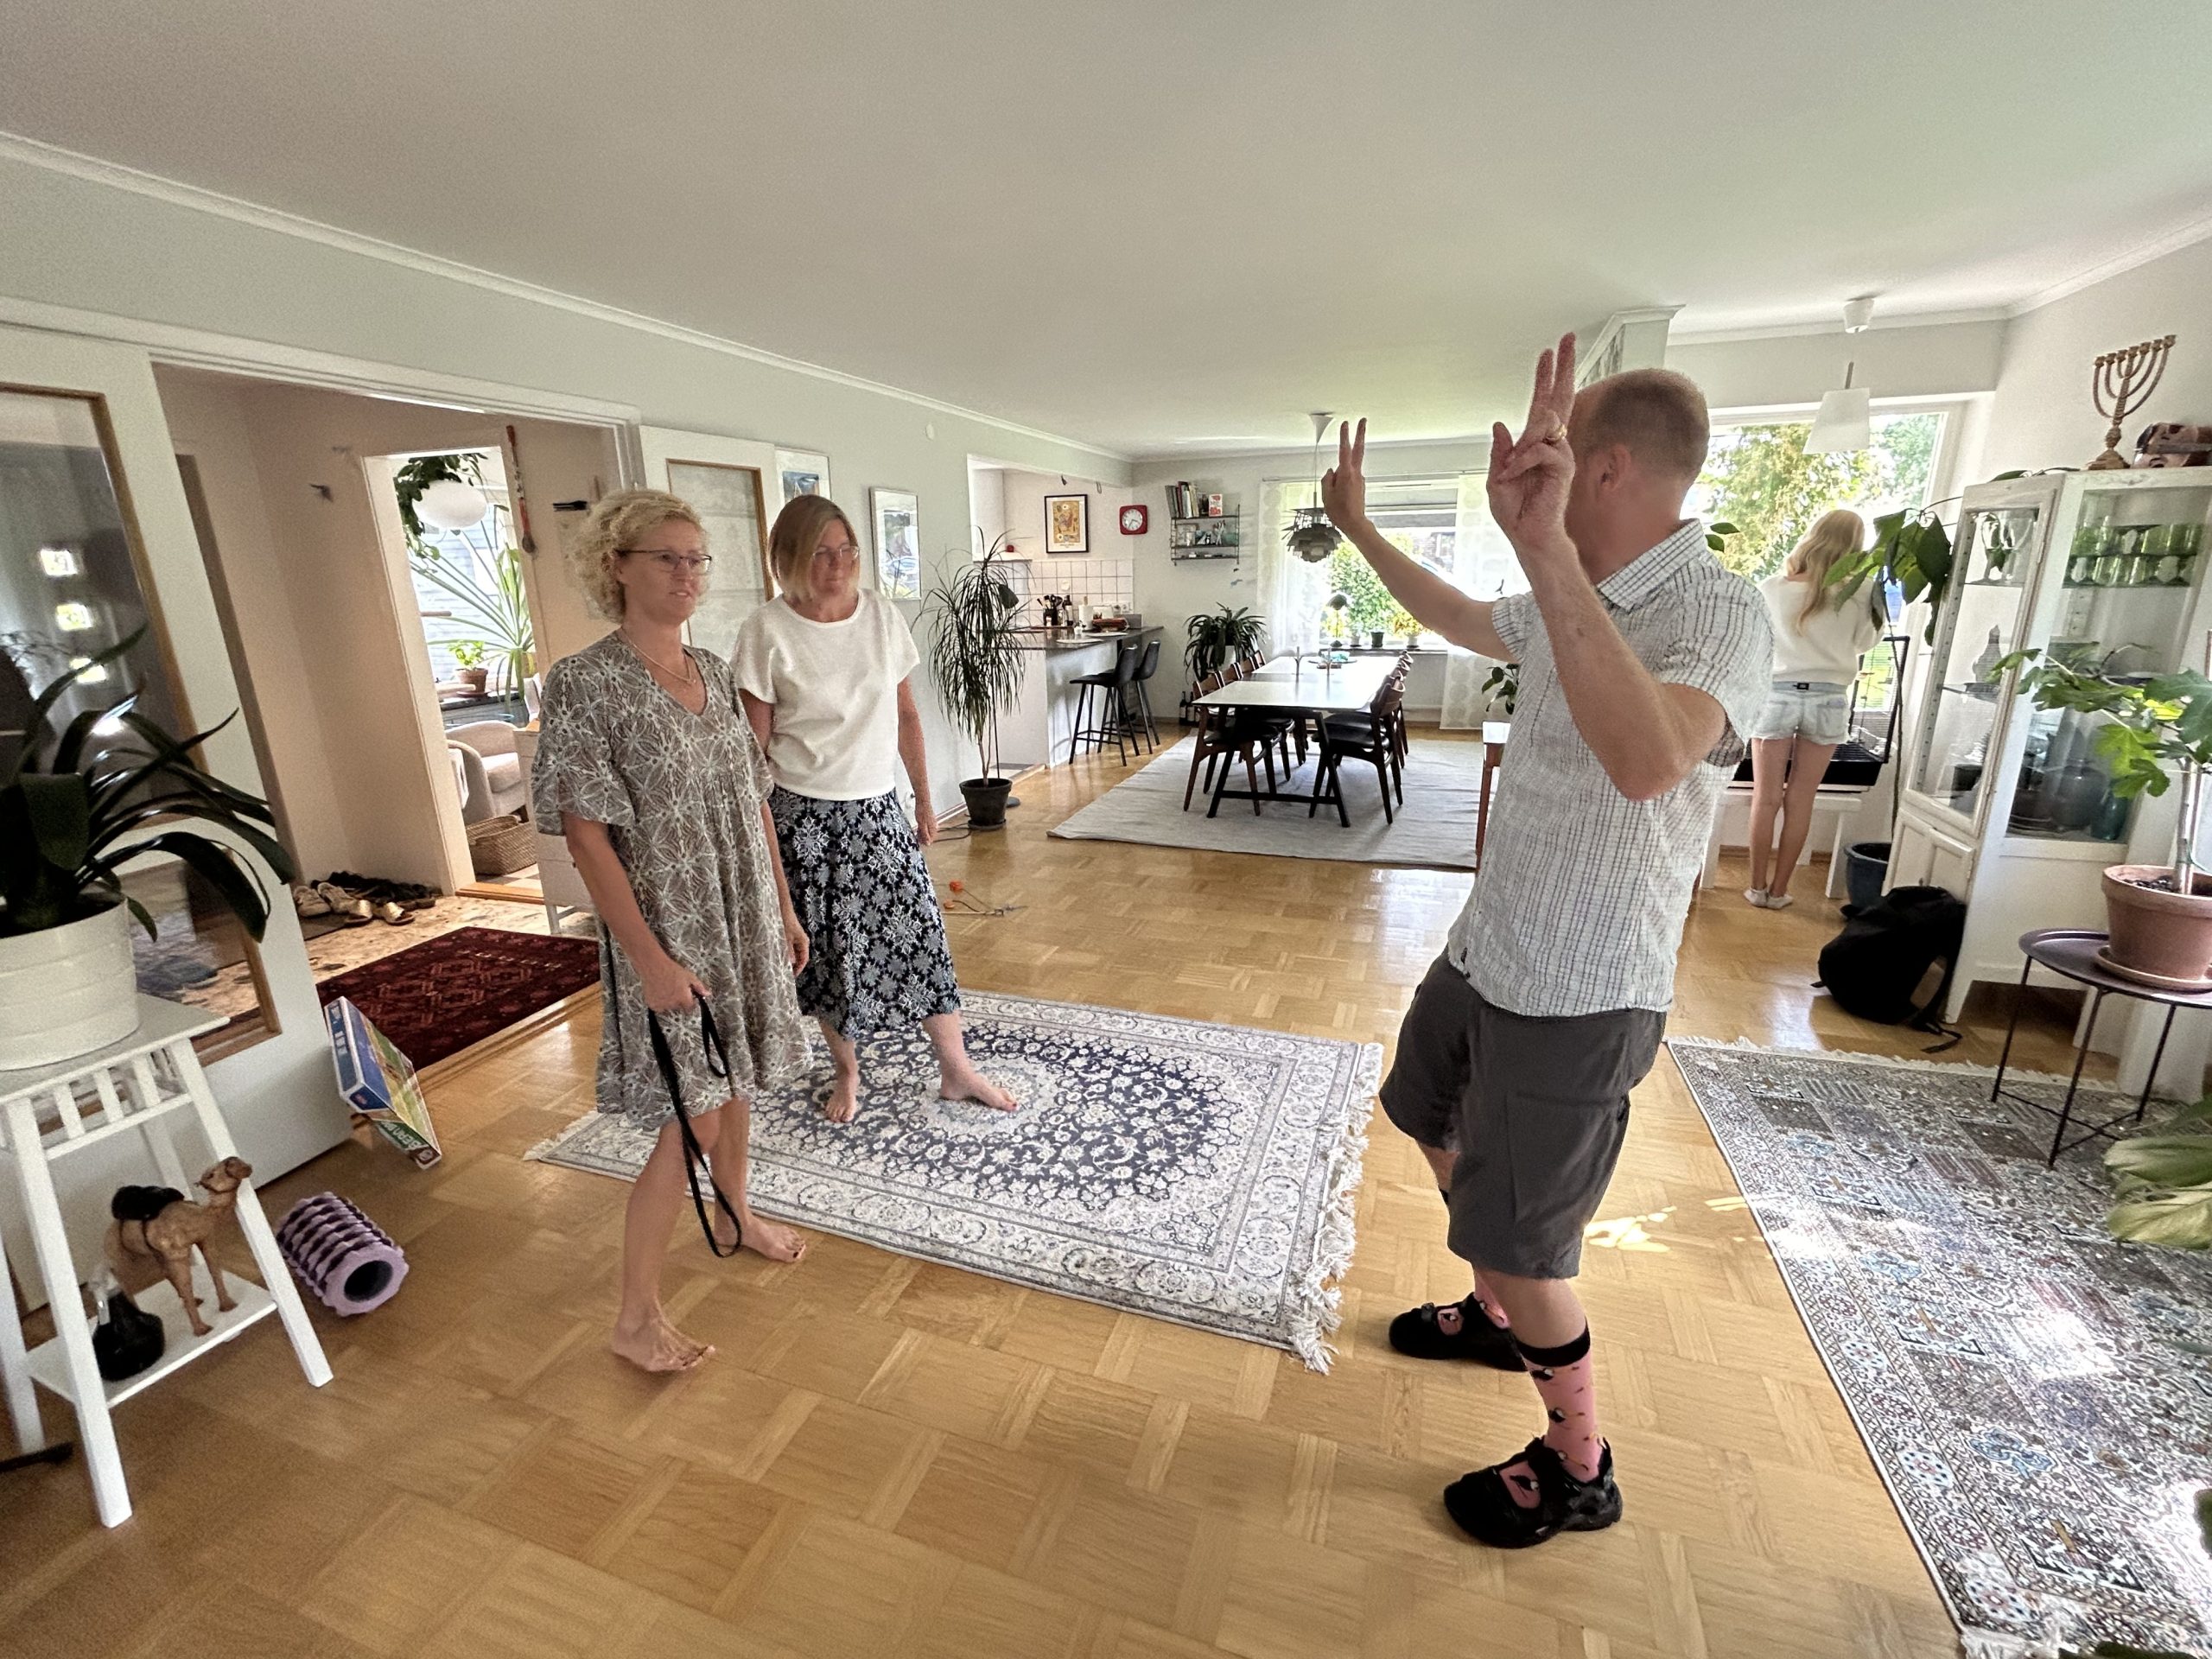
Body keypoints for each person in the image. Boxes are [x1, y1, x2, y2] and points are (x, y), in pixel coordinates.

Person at [1320, 337, 1771, 1548]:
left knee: (1528, 1245)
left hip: (1582, 989)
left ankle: (1579, 1465)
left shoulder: (1718, 611)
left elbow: (1649, 761)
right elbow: (1463, 617)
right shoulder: (1586, 587)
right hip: (1491, 949)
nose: (1533, 463)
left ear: (1606, 469)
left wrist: (1545, 552)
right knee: (1425, 1115)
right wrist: (1360, 531)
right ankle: (1497, 1311)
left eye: (1557, 449)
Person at [531, 488, 814, 1376]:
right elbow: (585, 835)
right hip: (669, 929)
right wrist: (649, 959)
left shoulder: (714, 672)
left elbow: (753, 801)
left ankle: (737, 1211)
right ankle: (635, 1316)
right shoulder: (584, 682)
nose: (688, 574)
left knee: (738, 1084)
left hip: (743, 914)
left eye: (697, 559)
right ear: (617, 566)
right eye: (667, 557)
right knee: (691, 1117)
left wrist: (782, 906)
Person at [732, 495, 1013, 1125]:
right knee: (833, 955)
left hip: (877, 808)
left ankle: (956, 1069)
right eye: (822, 553)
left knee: (922, 934)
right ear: (789, 558)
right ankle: (847, 1072)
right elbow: (753, 756)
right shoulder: (766, 631)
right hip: (803, 818)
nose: (839, 565)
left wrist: (923, 797)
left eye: (848, 551)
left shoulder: (881, 616)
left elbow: (906, 715)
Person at [1745, 509, 1879, 909]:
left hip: (1776, 694)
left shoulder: (1772, 587)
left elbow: (1756, 641)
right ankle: (1780, 892)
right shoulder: (1863, 590)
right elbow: (1865, 643)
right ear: (1856, 545)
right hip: (1829, 697)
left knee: (1765, 798)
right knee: (1801, 799)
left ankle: (1755, 888)